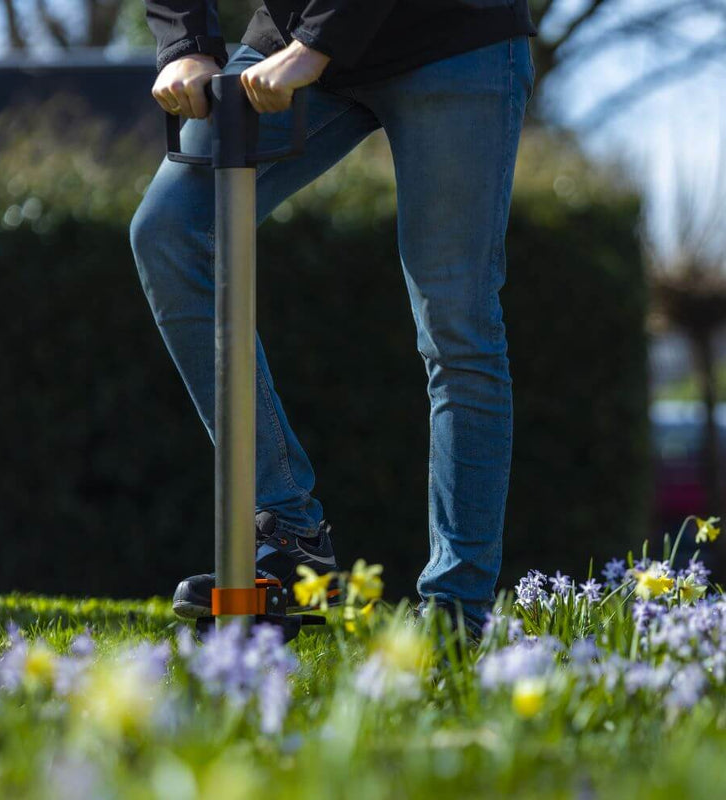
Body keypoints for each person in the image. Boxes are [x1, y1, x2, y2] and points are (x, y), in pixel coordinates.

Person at [129, 0, 537, 639]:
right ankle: (290, 532)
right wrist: (185, 42)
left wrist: (322, 40)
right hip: (296, 34)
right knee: (171, 230)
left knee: (457, 328)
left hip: (452, 37)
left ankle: (456, 617)